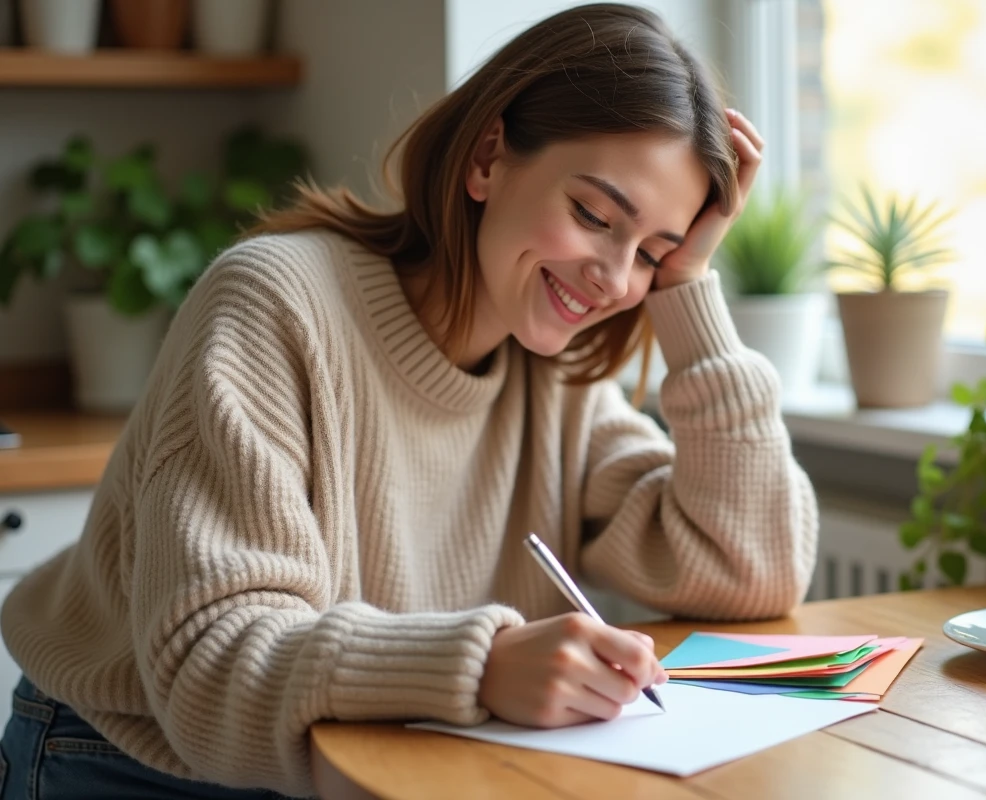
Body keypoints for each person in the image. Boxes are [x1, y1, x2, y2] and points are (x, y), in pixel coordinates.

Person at [0, 4, 818, 798]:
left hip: (381, 756)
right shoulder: (275, 304)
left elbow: (750, 573)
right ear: (489, 157)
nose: (614, 278)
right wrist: (483, 663)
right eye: (594, 215)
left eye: (652, 252)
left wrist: (688, 290)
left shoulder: (557, 375)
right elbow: (212, 666)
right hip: (137, 763)